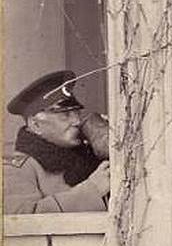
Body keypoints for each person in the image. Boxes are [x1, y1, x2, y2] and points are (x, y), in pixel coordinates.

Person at [3, 70, 109, 213]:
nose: (77, 121)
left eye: (77, 113)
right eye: (65, 115)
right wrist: (92, 190)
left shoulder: (88, 155)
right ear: (36, 125)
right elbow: (23, 219)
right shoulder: (16, 169)